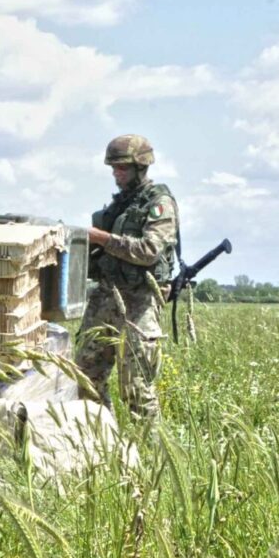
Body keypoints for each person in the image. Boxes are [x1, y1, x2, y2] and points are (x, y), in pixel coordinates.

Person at [74, 134, 178, 419]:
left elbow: (149, 251)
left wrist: (102, 238)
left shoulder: (159, 204)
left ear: (140, 166)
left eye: (121, 168)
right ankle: (102, 443)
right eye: (113, 168)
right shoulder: (121, 204)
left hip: (139, 302)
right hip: (106, 297)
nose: (115, 174)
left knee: (135, 388)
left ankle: (152, 457)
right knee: (84, 378)